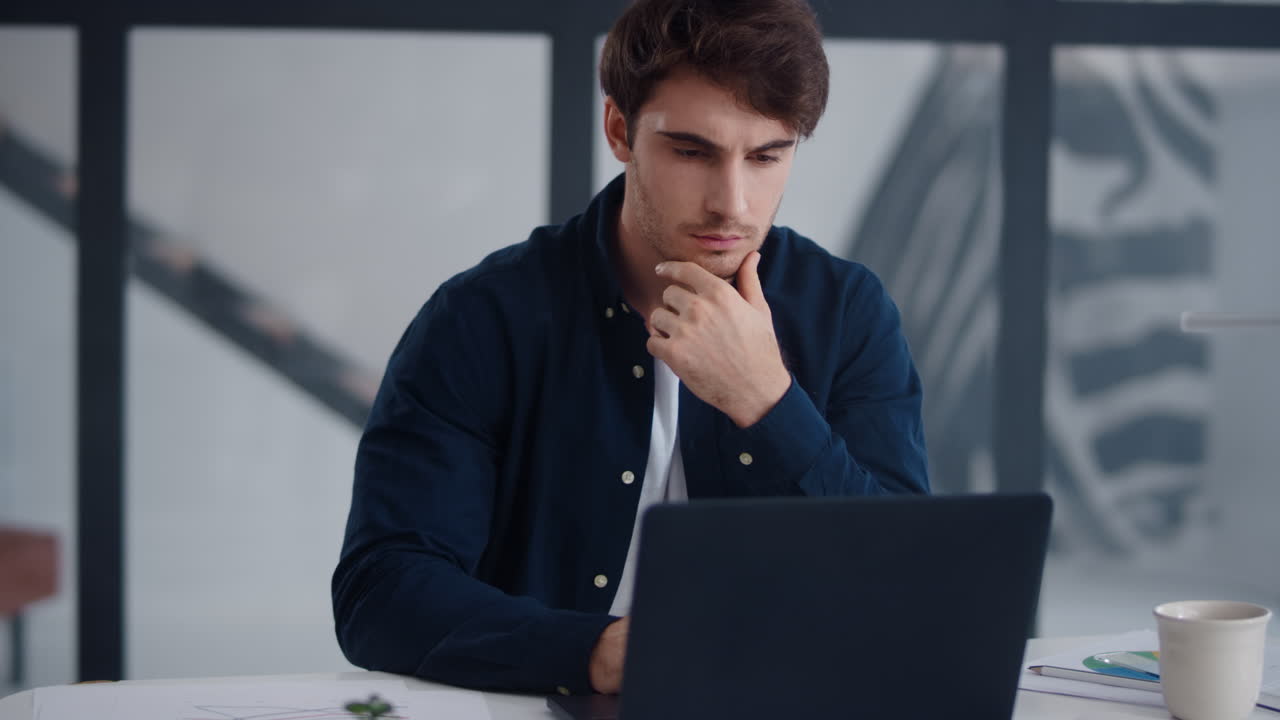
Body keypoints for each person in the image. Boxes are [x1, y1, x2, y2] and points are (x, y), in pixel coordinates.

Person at [332, 0, 929, 698]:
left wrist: (766, 400)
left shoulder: (847, 312)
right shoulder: (484, 317)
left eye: (767, 155)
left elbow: (909, 590)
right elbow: (384, 590)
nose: (732, 203)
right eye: (691, 151)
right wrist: (601, 651)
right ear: (620, 129)